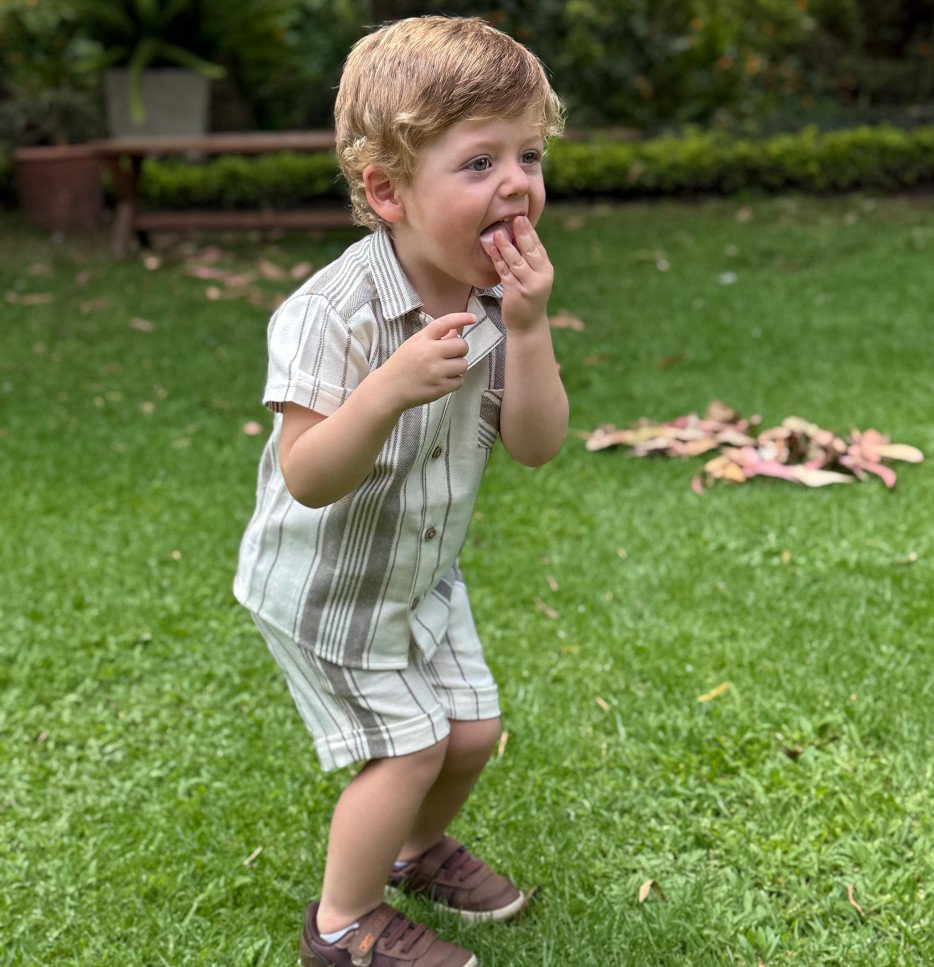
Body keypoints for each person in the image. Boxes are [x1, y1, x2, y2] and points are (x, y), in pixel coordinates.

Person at [233, 15, 567, 967]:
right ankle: (342, 924)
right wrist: (383, 390)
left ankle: (416, 852)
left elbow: (537, 446)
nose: (516, 183)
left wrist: (533, 331)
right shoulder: (328, 315)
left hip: (419, 574)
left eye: (529, 154)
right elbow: (306, 475)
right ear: (387, 189)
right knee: (409, 747)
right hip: (326, 584)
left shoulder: (500, 300)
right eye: (478, 163)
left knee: (471, 733)